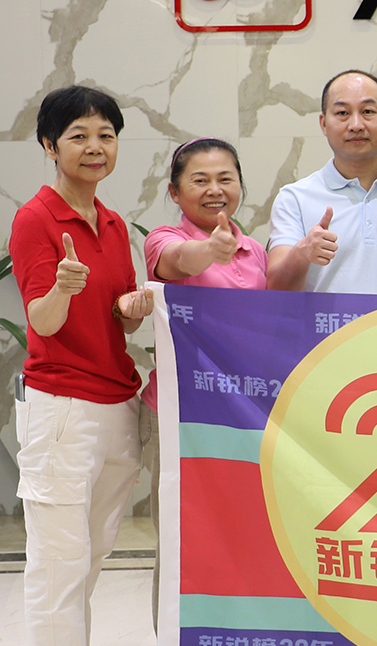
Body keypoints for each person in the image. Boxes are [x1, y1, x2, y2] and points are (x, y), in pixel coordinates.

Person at [8, 85, 154, 645]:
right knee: (58, 567)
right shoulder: (36, 219)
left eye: (106, 136)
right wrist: (62, 289)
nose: (95, 147)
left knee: (89, 559)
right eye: (78, 136)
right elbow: (43, 322)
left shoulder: (113, 224)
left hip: (117, 404)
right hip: (63, 409)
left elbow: (119, 321)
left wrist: (131, 309)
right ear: (50, 145)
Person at [140, 136, 267, 627]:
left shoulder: (254, 250)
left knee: (238, 541)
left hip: (236, 417)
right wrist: (210, 249)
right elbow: (180, 261)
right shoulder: (163, 238)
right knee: (181, 541)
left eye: (225, 179)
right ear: (175, 192)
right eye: (200, 180)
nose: (215, 190)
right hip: (177, 416)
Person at [267, 70, 377, 295]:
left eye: (368, 111)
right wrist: (302, 252)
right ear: (324, 124)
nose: (356, 125)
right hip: (327, 320)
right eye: (342, 113)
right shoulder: (294, 198)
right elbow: (275, 287)